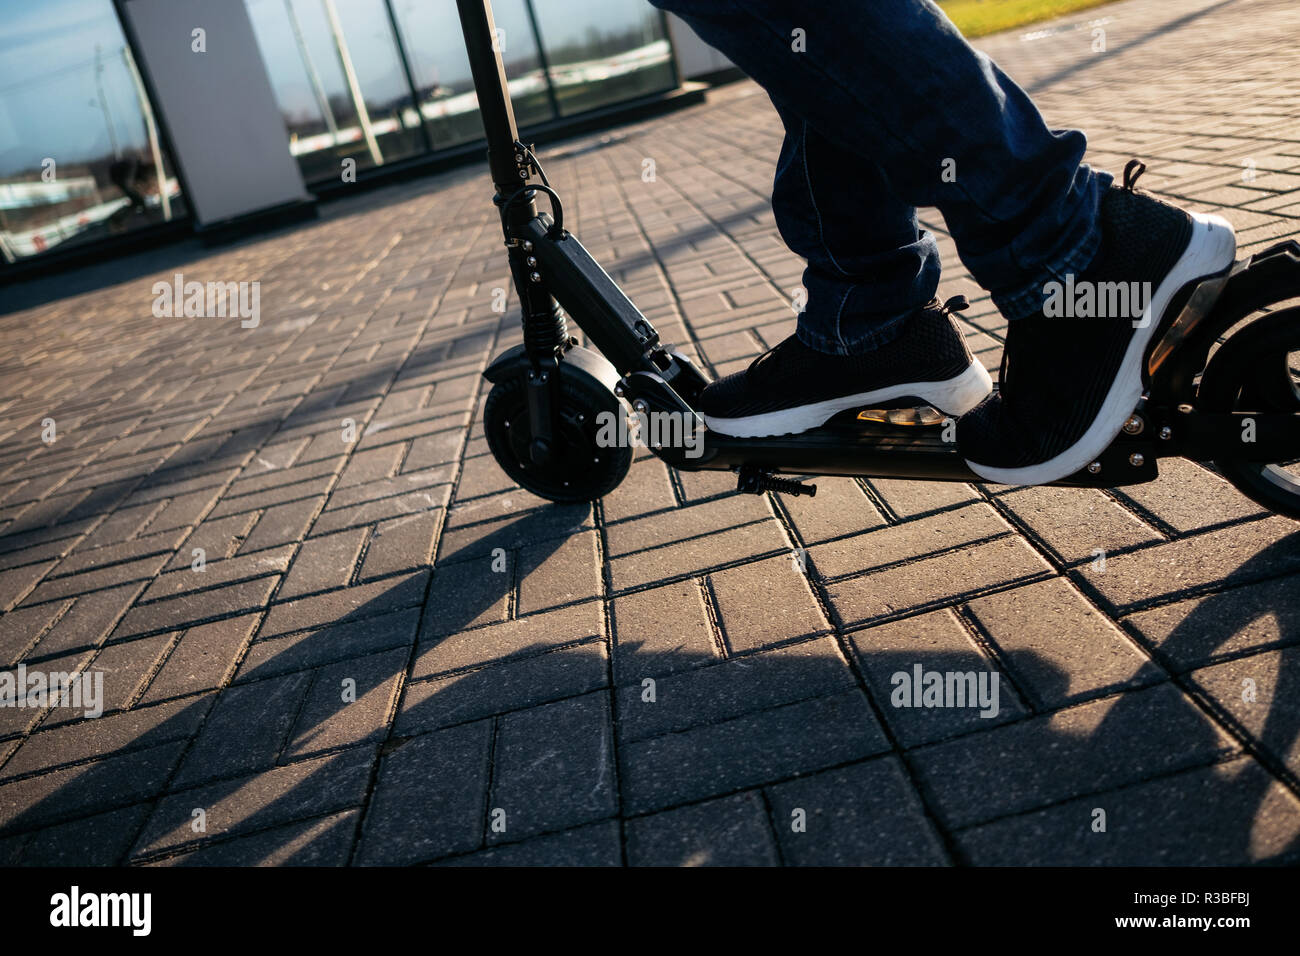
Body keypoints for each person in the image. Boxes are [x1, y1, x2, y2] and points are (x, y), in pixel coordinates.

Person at [648, 0, 1236, 485]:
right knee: (807, 60)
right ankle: (869, 324)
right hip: (868, 312)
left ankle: (1074, 253)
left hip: (1087, 262)